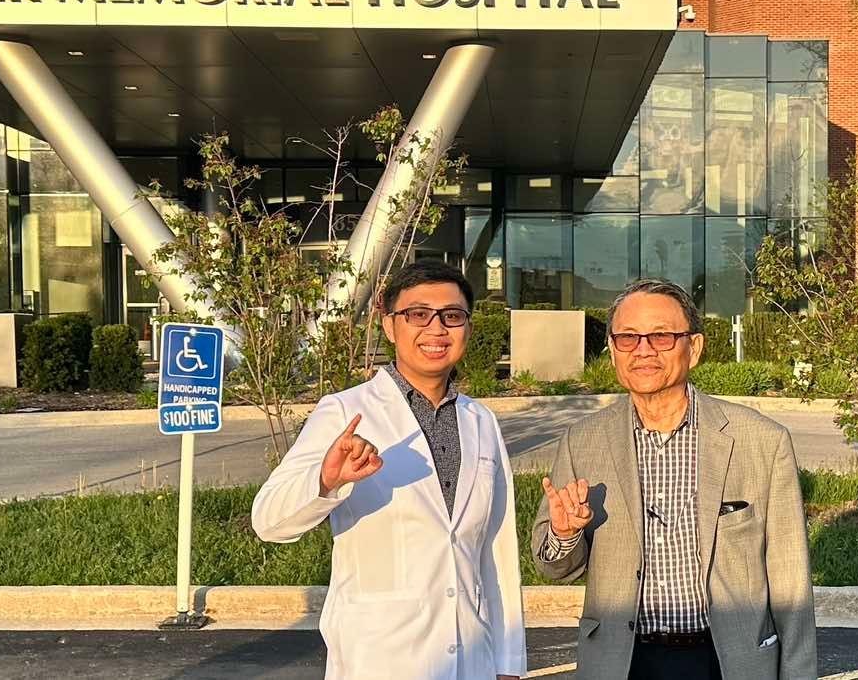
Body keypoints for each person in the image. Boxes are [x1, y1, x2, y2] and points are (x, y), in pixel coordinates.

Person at [530, 278, 817, 680]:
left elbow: (791, 581)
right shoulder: (584, 441)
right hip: (622, 662)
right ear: (612, 350)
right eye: (628, 338)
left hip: (726, 661)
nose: (643, 350)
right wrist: (564, 534)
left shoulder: (761, 442)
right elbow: (554, 568)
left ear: (693, 348)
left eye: (662, 336)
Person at [252, 260, 525, 680]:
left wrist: (509, 661)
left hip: (473, 656)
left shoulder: (481, 420)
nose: (436, 329)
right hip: (380, 657)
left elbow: (497, 548)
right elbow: (268, 520)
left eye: (452, 316)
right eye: (418, 315)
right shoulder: (345, 411)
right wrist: (326, 481)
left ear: (468, 327)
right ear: (389, 325)